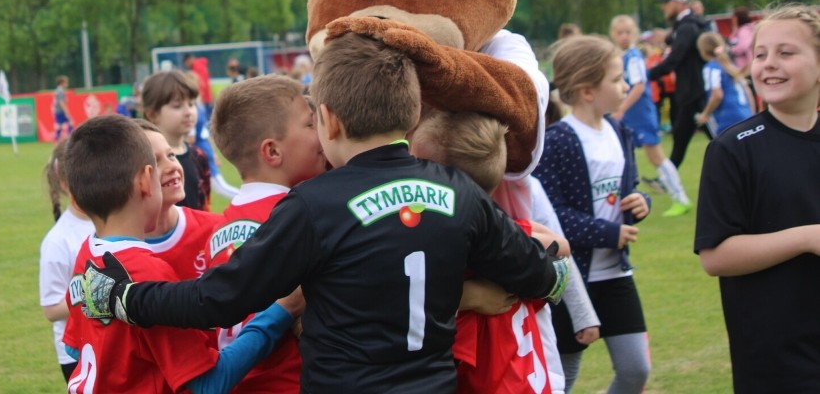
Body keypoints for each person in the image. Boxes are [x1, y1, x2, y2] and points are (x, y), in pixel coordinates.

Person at [81, 33, 569, 392]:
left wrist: (123, 298)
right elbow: (538, 274)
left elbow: (216, 301)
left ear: (329, 119)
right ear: (412, 113)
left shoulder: (313, 208)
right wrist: (552, 270)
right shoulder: (460, 192)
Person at [61, 114, 303, 394]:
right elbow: (209, 384)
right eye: (157, 161)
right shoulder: (147, 273)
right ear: (146, 180)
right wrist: (283, 309)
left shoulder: (87, 254)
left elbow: (74, 347)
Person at [410, 109, 598, 394]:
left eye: (418, 167)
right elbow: (561, 246)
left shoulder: (458, 256)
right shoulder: (512, 242)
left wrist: (466, 296)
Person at [694, 5, 820, 393]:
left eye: (786, 53)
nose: (768, 64)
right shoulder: (733, 149)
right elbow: (716, 256)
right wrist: (807, 238)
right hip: (775, 362)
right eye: (760, 54)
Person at [534, 34, 651, 394]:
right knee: (563, 380)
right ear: (588, 91)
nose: (626, 86)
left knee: (636, 371)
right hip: (571, 282)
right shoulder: (557, 141)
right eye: (616, 80)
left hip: (616, 276)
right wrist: (607, 233)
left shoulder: (619, 131)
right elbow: (551, 217)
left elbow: (625, 190)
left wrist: (640, 201)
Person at [205, 75, 327, 392]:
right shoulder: (298, 217)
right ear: (272, 151)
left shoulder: (220, 228)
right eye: (310, 125)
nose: (322, 134)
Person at [610, 15, 692, 217]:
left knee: (656, 157)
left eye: (628, 32)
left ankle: (680, 198)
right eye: (620, 33)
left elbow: (639, 85)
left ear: (635, 34)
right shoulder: (622, 57)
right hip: (631, 115)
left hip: (641, 114)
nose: (624, 37)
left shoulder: (634, 57)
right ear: (613, 35)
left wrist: (621, 109)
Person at [134, 119, 223, 280]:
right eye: (154, 162)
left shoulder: (216, 229)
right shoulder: (113, 252)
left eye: (171, 155)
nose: (172, 166)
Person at [38, 140, 94, 383]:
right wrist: (93, 295)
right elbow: (51, 309)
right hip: (76, 352)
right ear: (64, 183)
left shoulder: (111, 218)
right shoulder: (58, 240)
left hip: (108, 342)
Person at [648, 0, 711, 174]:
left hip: (693, 93)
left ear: (679, 3)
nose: (663, 8)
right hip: (693, 92)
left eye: (666, 3)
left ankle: (666, 180)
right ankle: (666, 180)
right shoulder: (688, 25)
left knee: (719, 139)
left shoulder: (686, 27)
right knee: (680, 139)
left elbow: (675, 58)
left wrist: (648, 74)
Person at [141, 69, 211, 211]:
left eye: (192, 104)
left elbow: (205, 206)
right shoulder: (142, 160)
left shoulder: (198, 156)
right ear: (152, 114)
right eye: (177, 106)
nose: (188, 112)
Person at [695, 31, 754, 136]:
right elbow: (748, 92)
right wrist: (752, 114)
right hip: (746, 115)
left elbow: (717, 95)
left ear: (703, 50)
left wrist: (705, 114)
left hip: (727, 118)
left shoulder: (711, 68)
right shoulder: (730, 66)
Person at [184, 53, 214, 119]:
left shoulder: (197, 67)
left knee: (205, 118)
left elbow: (202, 84)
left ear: (189, 59)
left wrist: (200, 97)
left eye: (186, 62)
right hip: (206, 96)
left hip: (204, 98)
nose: (187, 65)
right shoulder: (200, 65)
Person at [52, 75, 74, 141]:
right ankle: (70, 139)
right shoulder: (60, 91)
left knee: (60, 125)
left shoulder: (57, 90)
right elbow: (61, 102)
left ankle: (57, 139)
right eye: (66, 82)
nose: (67, 84)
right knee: (70, 122)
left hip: (58, 111)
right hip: (61, 111)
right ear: (62, 83)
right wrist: (66, 111)